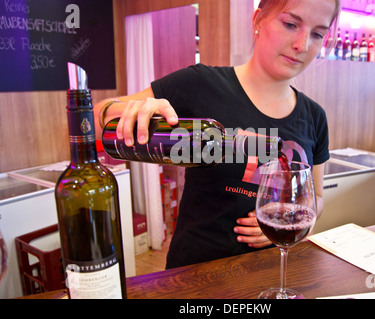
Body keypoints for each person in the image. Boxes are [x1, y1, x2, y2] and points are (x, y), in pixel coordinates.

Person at [94, 0, 341, 269]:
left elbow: (315, 199)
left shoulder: (315, 117)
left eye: (317, 34)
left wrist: (287, 221)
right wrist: (130, 111)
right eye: (290, 24)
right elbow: (98, 115)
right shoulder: (200, 84)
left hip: (273, 273)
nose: (302, 45)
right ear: (258, 20)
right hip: (195, 275)